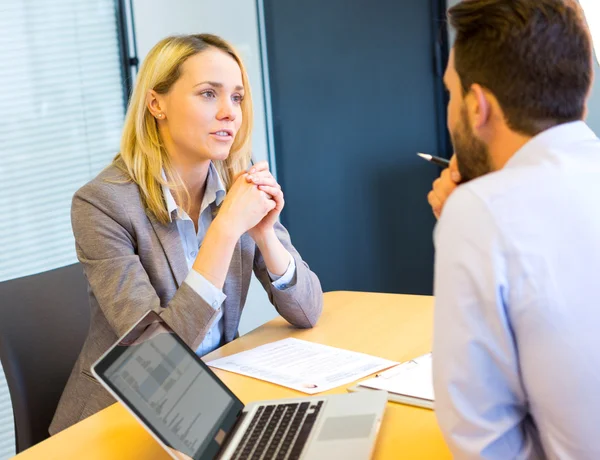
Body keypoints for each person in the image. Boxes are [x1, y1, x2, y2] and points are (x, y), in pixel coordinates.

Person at [50, 34, 323, 435]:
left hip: (208, 402)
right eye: (209, 94)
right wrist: (227, 228)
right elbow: (155, 362)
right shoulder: (102, 204)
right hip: (118, 420)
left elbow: (308, 310)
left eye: (237, 98)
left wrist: (265, 234)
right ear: (156, 103)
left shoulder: (236, 183)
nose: (229, 113)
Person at [431, 0, 600, 458]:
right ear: (582, 95)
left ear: (477, 105)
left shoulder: (480, 213)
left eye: (451, 94)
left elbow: (481, 442)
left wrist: (474, 218)